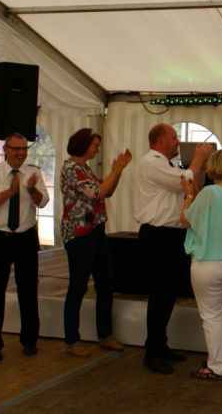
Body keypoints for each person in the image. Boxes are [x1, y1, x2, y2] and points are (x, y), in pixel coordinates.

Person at [135, 123, 214, 374]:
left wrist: (201, 165)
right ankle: (152, 351)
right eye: (173, 137)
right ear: (160, 141)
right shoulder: (151, 162)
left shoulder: (168, 164)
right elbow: (184, 180)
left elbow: (193, 187)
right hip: (157, 236)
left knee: (168, 293)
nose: (178, 141)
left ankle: (160, 344)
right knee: (160, 293)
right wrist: (198, 158)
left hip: (171, 235)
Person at [60, 128, 132, 357]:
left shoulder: (85, 168)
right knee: (78, 286)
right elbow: (98, 192)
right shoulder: (71, 169)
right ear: (82, 145)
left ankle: (105, 335)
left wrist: (118, 172)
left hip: (96, 231)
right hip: (79, 234)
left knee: (106, 282)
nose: (97, 149)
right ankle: (72, 340)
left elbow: (107, 192)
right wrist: (116, 170)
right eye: (94, 145)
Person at [0, 132, 49, 361]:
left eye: (24, 149)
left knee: (28, 290)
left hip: (25, 238)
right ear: (5, 150)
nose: (21, 153)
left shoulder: (33, 172)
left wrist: (31, 190)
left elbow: (43, 202)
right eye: (16, 149)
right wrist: (10, 191)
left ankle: (29, 340)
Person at [179, 149, 222, 380]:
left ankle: (217, 366)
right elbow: (212, 209)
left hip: (210, 262)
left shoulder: (209, 192)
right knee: (220, 312)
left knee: (211, 316)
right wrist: (196, 195)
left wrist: (188, 196)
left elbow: (185, 220)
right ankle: (217, 358)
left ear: (212, 166)